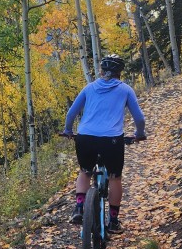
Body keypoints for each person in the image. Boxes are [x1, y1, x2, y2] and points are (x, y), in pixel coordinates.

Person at [61, 54, 146, 234]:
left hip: (85, 137)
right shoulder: (126, 90)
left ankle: (78, 208)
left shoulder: (89, 88)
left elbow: (71, 114)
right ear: (119, 72)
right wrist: (139, 134)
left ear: (102, 70)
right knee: (115, 177)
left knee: (85, 171)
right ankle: (114, 221)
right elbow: (139, 118)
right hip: (112, 140)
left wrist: (68, 131)